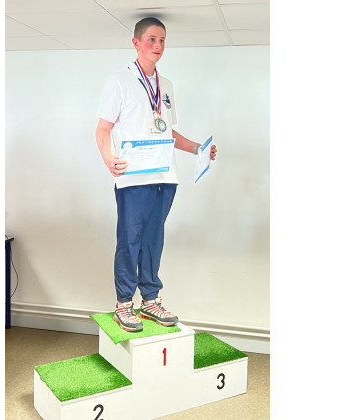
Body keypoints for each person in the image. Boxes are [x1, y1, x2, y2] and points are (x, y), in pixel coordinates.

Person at [95, 17, 217, 332]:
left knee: (154, 239)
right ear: (136, 43)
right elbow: (103, 128)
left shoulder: (167, 86)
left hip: (164, 178)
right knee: (130, 239)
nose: (158, 46)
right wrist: (108, 158)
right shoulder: (119, 81)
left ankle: (150, 300)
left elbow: (166, 132)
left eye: (162, 40)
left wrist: (197, 149)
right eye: (151, 39)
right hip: (133, 179)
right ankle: (124, 304)